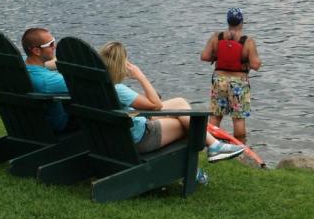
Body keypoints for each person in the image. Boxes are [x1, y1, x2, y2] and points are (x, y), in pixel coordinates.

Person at [98, 41, 244, 162]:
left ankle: (214, 145)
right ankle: (196, 165)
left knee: (180, 103)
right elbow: (156, 105)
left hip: (121, 131)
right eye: (126, 61)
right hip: (139, 138)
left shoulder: (97, 86)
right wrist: (140, 76)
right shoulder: (119, 89)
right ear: (119, 65)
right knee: (191, 125)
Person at [200, 8, 261, 144]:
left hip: (219, 80)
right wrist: (246, 63)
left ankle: (211, 145)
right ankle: (240, 149)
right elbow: (256, 64)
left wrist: (217, 56)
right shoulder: (247, 41)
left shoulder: (217, 37)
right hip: (239, 82)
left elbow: (204, 56)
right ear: (241, 22)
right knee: (238, 119)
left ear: (228, 21)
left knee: (216, 116)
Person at [21, 27, 75, 133]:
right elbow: (83, 87)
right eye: (50, 44)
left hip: (30, 123)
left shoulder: (21, 64)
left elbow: (48, 64)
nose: (54, 46)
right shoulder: (49, 81)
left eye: (54, 42)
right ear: (36, 50)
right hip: (61, 124)